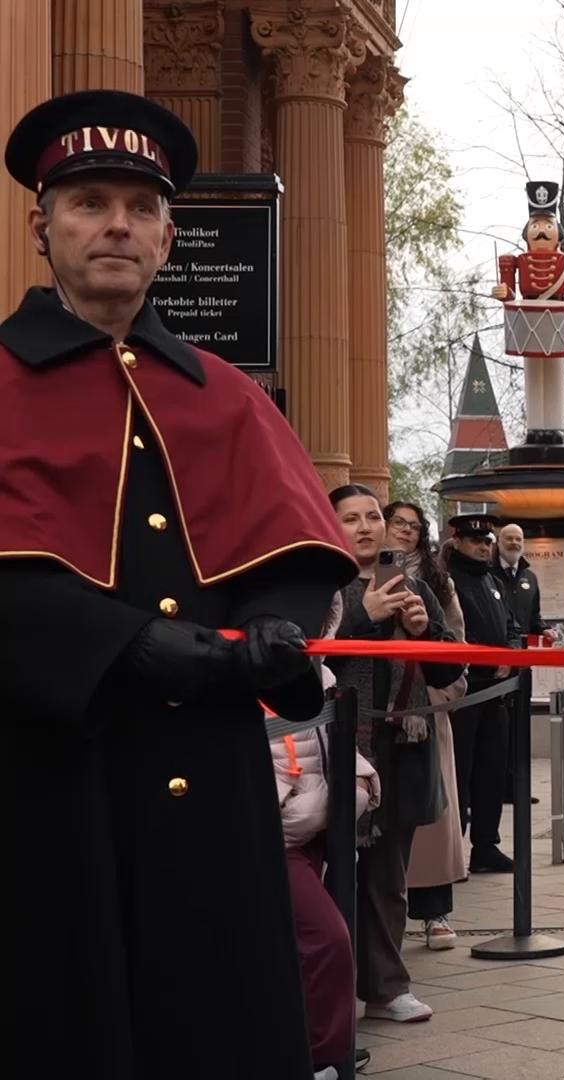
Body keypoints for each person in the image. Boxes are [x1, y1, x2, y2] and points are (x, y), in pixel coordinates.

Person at [0, 90, 357, 1077]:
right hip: (46, 776)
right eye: (88, 202)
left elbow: (292, 555)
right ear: (43, 228)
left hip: (210, 779)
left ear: (168, 236)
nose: (115, 224)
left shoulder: (225, 392)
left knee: (214, 1016)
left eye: (139, 208)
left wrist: (277, 633)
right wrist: (123, 646)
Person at [325, 486, 462, 1026]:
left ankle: (386, 986)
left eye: (372, 517)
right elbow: (310, 653)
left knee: (388, 877)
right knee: (330, 874)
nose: (365, 527)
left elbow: (451, 670)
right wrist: (362, 613)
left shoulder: (416, 587)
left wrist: (427, 633)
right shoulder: (320, 587)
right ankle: (329, 992)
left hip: (403, 744)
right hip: (337, 747)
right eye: (350, 518)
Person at [271, 592, 380, 1076]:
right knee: (327, 939)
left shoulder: (321, 670)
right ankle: (322, 1056)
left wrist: (355, 784)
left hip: (314, 827)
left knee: (310, 946)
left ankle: (318, 1050)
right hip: (276, 837)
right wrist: (300, 808)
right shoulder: (240, 672)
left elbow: (333, 744)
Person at [387, 503, 467, 952]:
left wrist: (439, 697)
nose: (405, 531)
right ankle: (384, 917)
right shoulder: (355, 579)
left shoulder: (436, 583)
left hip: (424, 713)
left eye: (414, 526)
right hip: (372, 713)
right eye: (397, 522)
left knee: (432, 816)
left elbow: (454, 642)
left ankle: (435, 911)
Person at [444, 513, 517, 874]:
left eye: (488, 541)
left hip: (495, 693)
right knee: (459, 772)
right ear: (456, 542)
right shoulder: (446, 581)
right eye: (476, 541)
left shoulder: (494, 581)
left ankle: (485, 846)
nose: (483, 547)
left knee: (491, 772)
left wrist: (510, 656)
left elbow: (511, 627)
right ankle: (451, 849)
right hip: (463, 693)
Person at [493, 522, 541, 646]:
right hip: (496, 652)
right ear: (499, 542)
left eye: (518, 539)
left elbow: (535, 616)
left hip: (523, 655)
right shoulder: (487, 575)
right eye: (509, 538)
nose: (514, 542)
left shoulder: (530, 578)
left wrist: (545, 629)